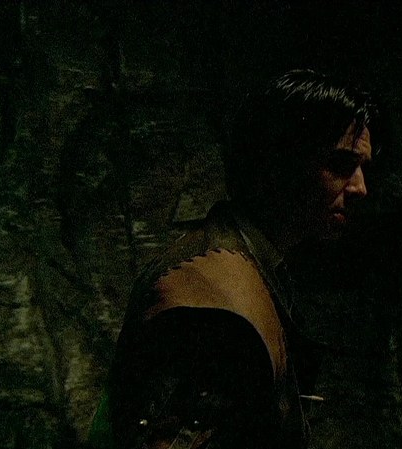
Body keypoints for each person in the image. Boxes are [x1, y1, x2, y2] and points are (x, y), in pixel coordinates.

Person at [90, 69, 379, 449]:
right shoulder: (219, 306)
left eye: (362, 168)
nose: (360, 187)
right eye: (340, 164)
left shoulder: (249, 266)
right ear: (279, 161)